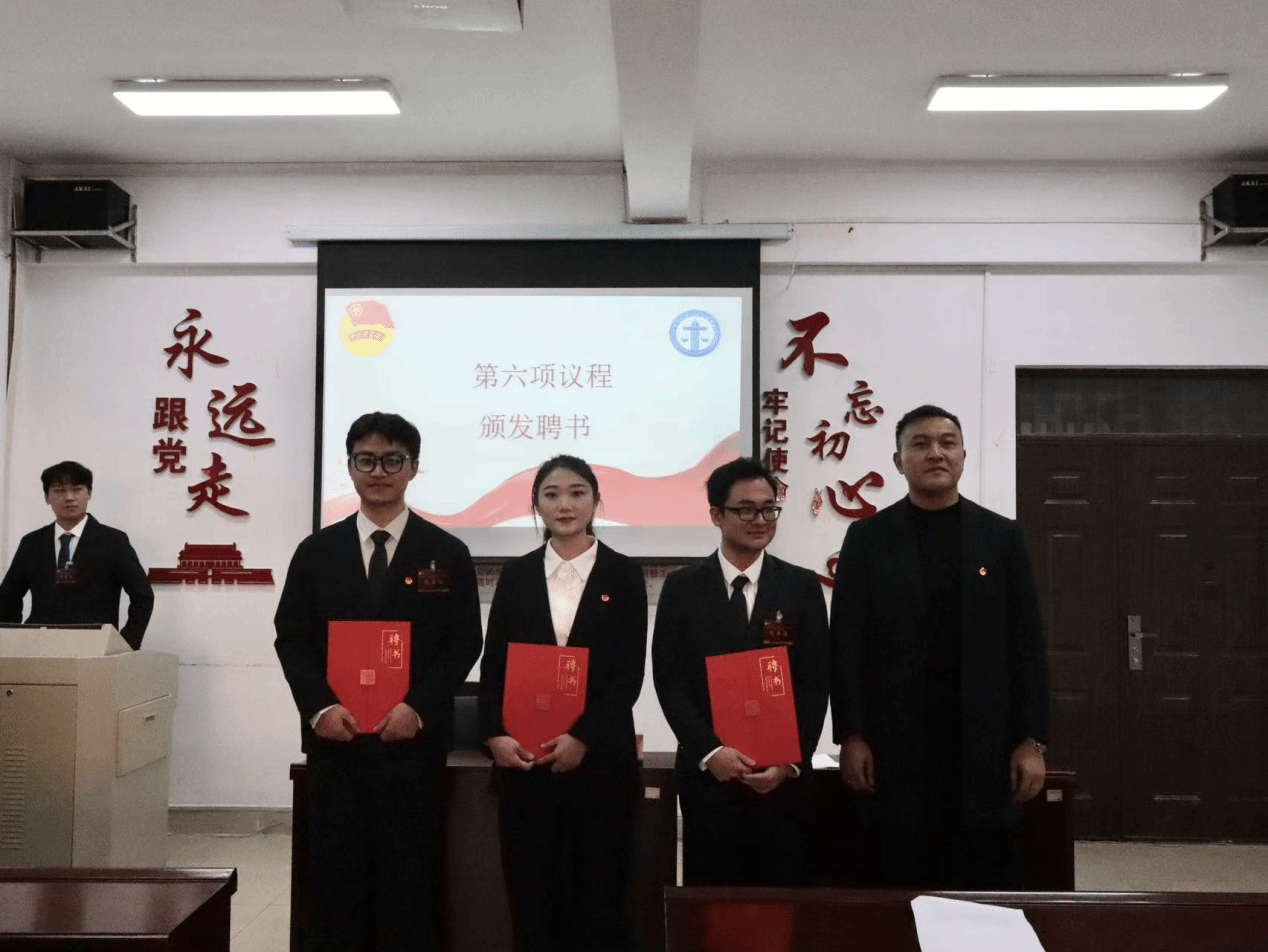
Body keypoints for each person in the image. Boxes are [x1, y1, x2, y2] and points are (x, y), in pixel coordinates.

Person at [274, 412, 482, 952]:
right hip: (336, 743)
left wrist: (417, 707)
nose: (379, 472)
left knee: (409, 879)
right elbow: (291, 638)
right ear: (349, 467)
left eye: (393, 460)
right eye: (366, 460)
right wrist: (320, 709)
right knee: (337, 880)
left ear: (413, 468)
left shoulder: (447, 552)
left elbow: (464, 643)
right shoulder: (316, 552)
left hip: (412, 745)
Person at [830, 404, 1049, 889]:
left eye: (947, 443)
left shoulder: (1000, 537)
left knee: (980, 877)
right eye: (920, 444)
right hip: (895, 743)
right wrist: (851, 734)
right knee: (898, 874)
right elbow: (847, 643)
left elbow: (1027, 645)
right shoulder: (868, 538)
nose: (935, 453)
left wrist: (1031, 740)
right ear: (898, 460)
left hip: (984, 743)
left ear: (964, 456)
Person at [479, 455, 647, 952]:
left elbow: (627, 676)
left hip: (600, 766)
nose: (565, 504)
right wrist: (495, 735)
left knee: (598, 901)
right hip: (526, 766)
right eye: (551, 494)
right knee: (532, 901)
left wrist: (583, 738)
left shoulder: (623, 574)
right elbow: (494, 667)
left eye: (577, 492)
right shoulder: (516, 575)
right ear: (536, 505)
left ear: (596, 500)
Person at [652, 457, 829, 886]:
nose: (760, 520)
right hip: (709, 777)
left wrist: (790, 762)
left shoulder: (801, 587)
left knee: (777, 904)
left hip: (781, 781)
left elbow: (814, 682)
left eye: (769, 509)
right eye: (746, 509)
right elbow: (670, 681)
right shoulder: (682, 587)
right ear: (717, 515)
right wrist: (710, 752)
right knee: (712, 904)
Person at [0, 460, 153, 649]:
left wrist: (125, 645)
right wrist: (13, 642)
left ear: (89, 493)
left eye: (77, 489)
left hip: (95, 647)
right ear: (47, 497)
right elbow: (8, 598)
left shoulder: (113, 541)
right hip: (39, 646)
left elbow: (143, 596)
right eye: (59, 491)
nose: (69, 497)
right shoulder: (32, 542)